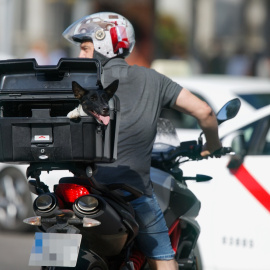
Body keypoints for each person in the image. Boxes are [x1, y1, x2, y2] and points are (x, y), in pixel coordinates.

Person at [63, 12, 222, 270]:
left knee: (51, 249)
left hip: (79, 187)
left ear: (104, 45)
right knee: (162, 256)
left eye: (85, 48)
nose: (80, 56)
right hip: (130, 191)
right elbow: (204, 112)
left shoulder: (78, 83)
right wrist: (212, 145)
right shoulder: (153, 80)